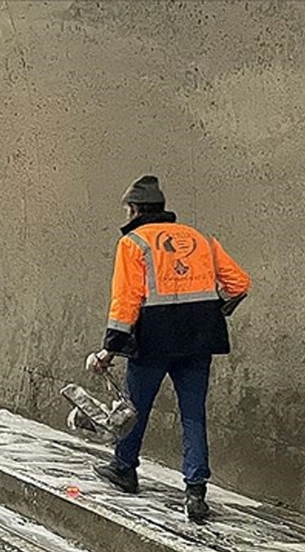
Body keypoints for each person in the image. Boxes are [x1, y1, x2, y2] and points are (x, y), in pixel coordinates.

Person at [92, 176, 251, 522]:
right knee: (193, 415)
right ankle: (195, 492)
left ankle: (123, 469)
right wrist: (213, 310)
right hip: (199, 341)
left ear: (134, 210)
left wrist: (109, 350)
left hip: (153, 341)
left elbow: (126, 301)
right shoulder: (200, 239)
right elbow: (239, 283)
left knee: (135, 409)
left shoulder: (134, 243)